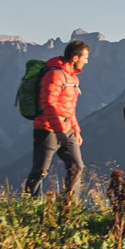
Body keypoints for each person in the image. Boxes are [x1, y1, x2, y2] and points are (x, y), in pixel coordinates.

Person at [25, 40, 89, 198]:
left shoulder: (73, 78)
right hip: (47, 129)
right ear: (75, 58)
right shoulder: (54, 74)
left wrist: (76, 130)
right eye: (85, 57)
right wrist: (59, 130)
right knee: (39, 172)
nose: (86, 61)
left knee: (77, 166)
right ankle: (28, 207)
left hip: (67, 130)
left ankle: (68, 207)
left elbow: (69, 108)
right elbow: (48, 104)